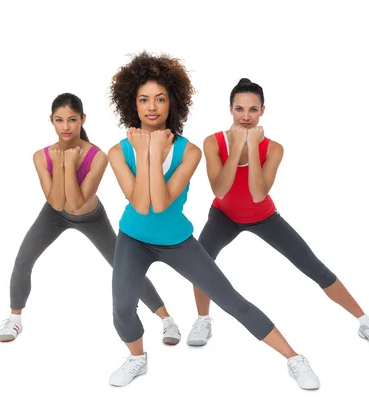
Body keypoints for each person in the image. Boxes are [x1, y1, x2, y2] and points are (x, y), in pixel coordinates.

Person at [106, 52, 320, 390]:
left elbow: (160, 205)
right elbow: (139, 204)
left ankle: (294, 358)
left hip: (177, 241)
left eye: (160, 99)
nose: (152, 107)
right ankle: (137, 358)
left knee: (230, 299)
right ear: (132, 104)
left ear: (172, 103)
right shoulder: (118, 152)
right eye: (144, 99)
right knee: (121, 308)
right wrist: (145, 150)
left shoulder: (189, 151)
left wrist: (149, 151)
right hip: (133, 238)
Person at [185, 78, 369, 349]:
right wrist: (237, 146)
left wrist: (253, 148)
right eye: (239, 109)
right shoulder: (213, 142)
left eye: (253, 110)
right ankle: (203, 320)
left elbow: (258, 194)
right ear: (230, 109)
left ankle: (365, 321)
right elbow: (220, 190)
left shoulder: (273, 148)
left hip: (263, 216)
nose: (246, 117)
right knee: (202, 263)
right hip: (224, 216)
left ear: (262, 111)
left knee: (312, 266)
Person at [0, 93, 181, 345]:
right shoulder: (41, 156)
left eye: (72, 119)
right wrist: (61, 164)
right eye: (59, 120)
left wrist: (69, 164)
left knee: (123, 267)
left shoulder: (98, 156)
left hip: (90, 217)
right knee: (24, 258)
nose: (66, 127)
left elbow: (76, 203)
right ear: (51, 120)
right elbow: (57, 203)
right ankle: (14, 318)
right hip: (54, 215)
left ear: (82, 119)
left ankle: (166, 320)